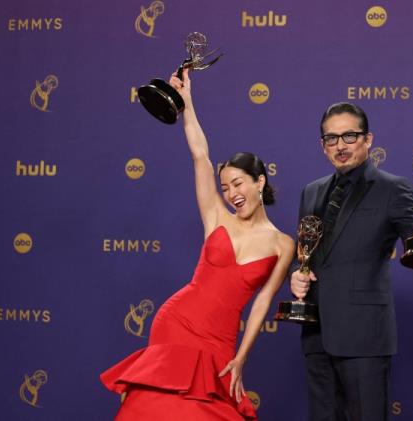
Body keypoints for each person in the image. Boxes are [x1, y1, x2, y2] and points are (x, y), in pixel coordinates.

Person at [101, 69, 295, 421]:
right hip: (177, 321)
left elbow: (263, 301)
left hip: (219, 340)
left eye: (238, 184)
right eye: (225, 187)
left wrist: (242, 357)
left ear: (259, 181)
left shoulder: (284, 244)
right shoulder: (216, 218)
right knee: (159, 409)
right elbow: (200, 156)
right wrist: (187, 103)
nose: (232, 194)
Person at [290, 102, 413, 421]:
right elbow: (308, 254)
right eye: (331, 139)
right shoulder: (311, 192)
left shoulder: (392, 188)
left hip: (364, 337)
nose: (340, 146)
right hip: (316, 334)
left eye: (349, 136)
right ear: (323, 146)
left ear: (368, 139)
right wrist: (297, 275)